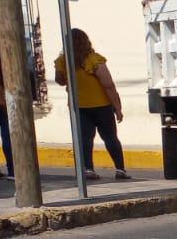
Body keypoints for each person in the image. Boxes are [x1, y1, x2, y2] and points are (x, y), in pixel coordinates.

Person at [54, 28, 128, 181]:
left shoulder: (63, 61)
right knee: (110, 138)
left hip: (79, 107)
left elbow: (60, 81)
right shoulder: (94, 59)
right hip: (102, 106)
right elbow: (108, 85)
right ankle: (120, 169)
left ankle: (88, 169)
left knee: (85, 139)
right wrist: (118, 107)